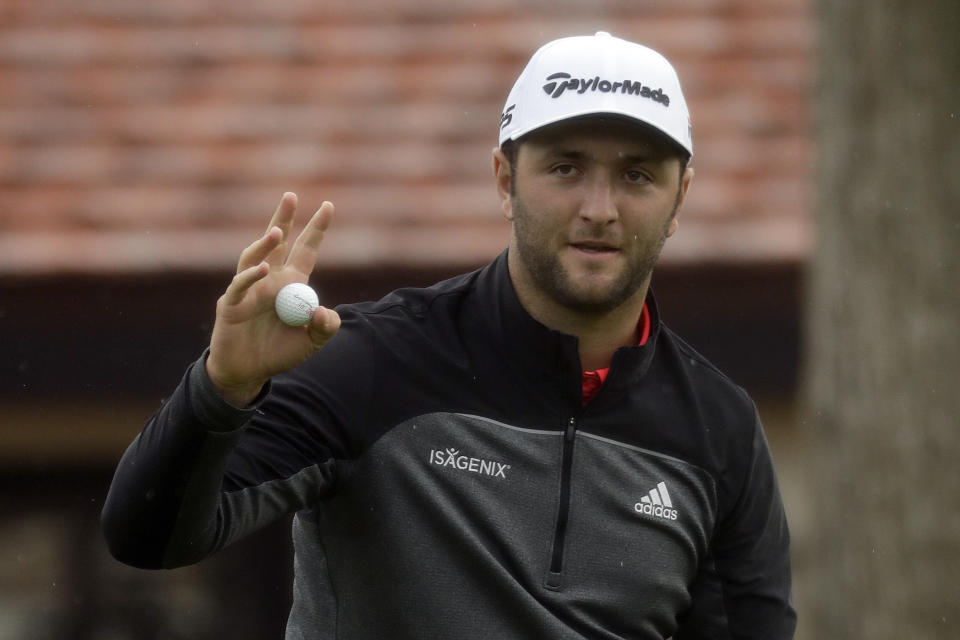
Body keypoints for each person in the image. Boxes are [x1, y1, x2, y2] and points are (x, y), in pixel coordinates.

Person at [102, 32, 796, 639]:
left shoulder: (720, 429)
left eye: (637, 175)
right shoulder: (372, 361)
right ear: (504, 179)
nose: (599, 208)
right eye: (565, 167)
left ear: (679, 199)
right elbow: (147, 538)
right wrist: (222, 390)